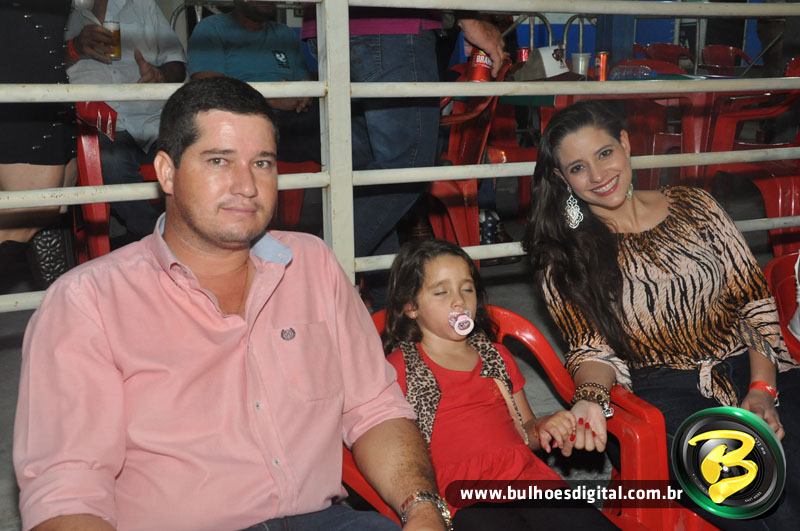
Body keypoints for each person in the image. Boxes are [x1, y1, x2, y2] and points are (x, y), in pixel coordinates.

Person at [13, 77, 451, 531]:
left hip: (323, 520)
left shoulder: (312, 265)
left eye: (261, 163)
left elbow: (374, 408)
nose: (246, 185)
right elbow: (67, 491)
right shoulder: (88, 302)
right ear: (167, 172)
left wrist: (424, 509)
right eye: (219, 160)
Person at [524, 100, 800, 528]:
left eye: (604, 153)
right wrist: (590, 398)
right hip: (665, 391)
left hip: (750, 364)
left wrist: (763, 389)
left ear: (625, 144)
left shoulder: (696, 205)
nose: (597, 176)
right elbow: (591, 349)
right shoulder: (565, 253)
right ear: (562, 178)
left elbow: (753, 303)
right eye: (578, 168)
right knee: (756, 496)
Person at [383, 239, 615, 530]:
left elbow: (525, 430)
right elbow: (393, 447)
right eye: (441, 292)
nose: (459, 301)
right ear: (410, 306)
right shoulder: (399, 368)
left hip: (526, 479)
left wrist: (544, 427)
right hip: (461, 496)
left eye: (467, 289)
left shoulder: (495, 356)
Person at [302, 9, 505, 307]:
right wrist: (469, 17)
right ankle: (308, 276)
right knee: (408, 167)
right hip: (392, 27)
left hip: (327, 27)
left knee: (371, 184)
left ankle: (388, 311)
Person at [65, 0, 186, 241]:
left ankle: (183, 232)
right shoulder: (57, 11)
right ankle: (158, 238)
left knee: (193, 153)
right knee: (110, 159)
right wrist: (75, 47)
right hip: (97, 125)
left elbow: (177, 62)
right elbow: (37, 64)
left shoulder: (142, 5)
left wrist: (161, 75)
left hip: (153, 119)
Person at [0, 0, 75, 288]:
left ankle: (59, 308)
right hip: (22, 100)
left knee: (53, 214)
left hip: (50, 95)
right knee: (26, 219)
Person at [187, 0, 320, 163]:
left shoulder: (284, 33)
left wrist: (304, 95)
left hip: (293, 119)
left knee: (334, 108)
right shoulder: (212, 29)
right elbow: (208, 88)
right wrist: (272, 101)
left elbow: (303, 80)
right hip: (241, 119)